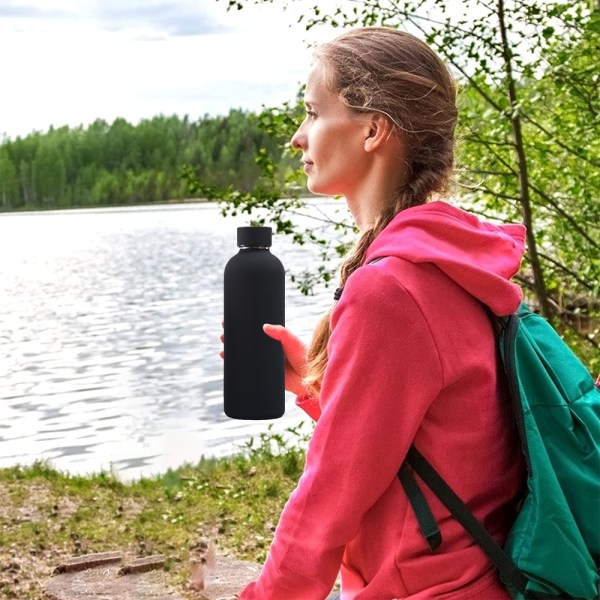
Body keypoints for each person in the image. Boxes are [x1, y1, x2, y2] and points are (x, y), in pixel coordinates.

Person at [222, 26, 526, 599]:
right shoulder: (452, 260)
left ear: (372, 129)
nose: (297, 137)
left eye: (313, 112)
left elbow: (328, 501)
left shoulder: (392, 289)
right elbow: (428, 445)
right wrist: (315, 386)